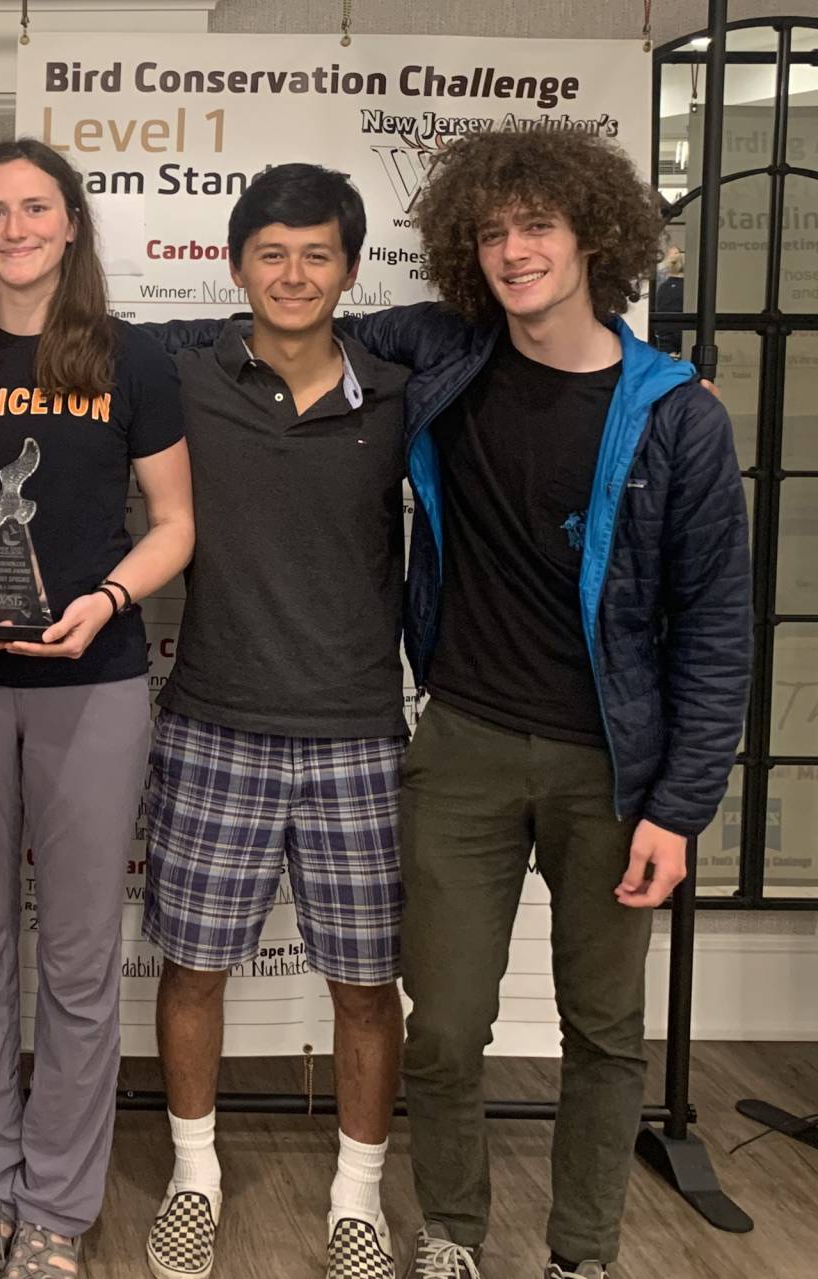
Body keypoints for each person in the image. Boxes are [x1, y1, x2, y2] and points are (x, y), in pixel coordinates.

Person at [337, 129, 749, 1279]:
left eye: (538, 227)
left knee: (606, 1033)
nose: (515, 251)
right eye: (493, 232)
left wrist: (680, 808)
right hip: (462, 743)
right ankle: (453, 1236)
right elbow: (310, 325)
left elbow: (718, 634)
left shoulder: (678, 418)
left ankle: (582, 1255)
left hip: (613, 771)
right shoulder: (446, 357)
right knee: (449, 1028)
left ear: (595, 239)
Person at [0, 138, 194, 1279]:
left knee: (77, 957)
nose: (15, 228)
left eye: (36, 208)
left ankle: (59, 1207)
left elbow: (173, 519)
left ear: (72, 223)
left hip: (96, 677)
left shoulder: (134, 355)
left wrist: (109, 597)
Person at [138, 165, 410, 1279]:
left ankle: (358, 1198)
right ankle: (193, 1175)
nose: (293, 275)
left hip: (360, 733)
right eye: (271, 253)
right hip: (213, 724)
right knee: (193, 968)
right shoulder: (180, 375)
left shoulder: (400, 392)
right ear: (235, 262)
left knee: (365, 985)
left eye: (317, 255)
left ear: (349, 270)